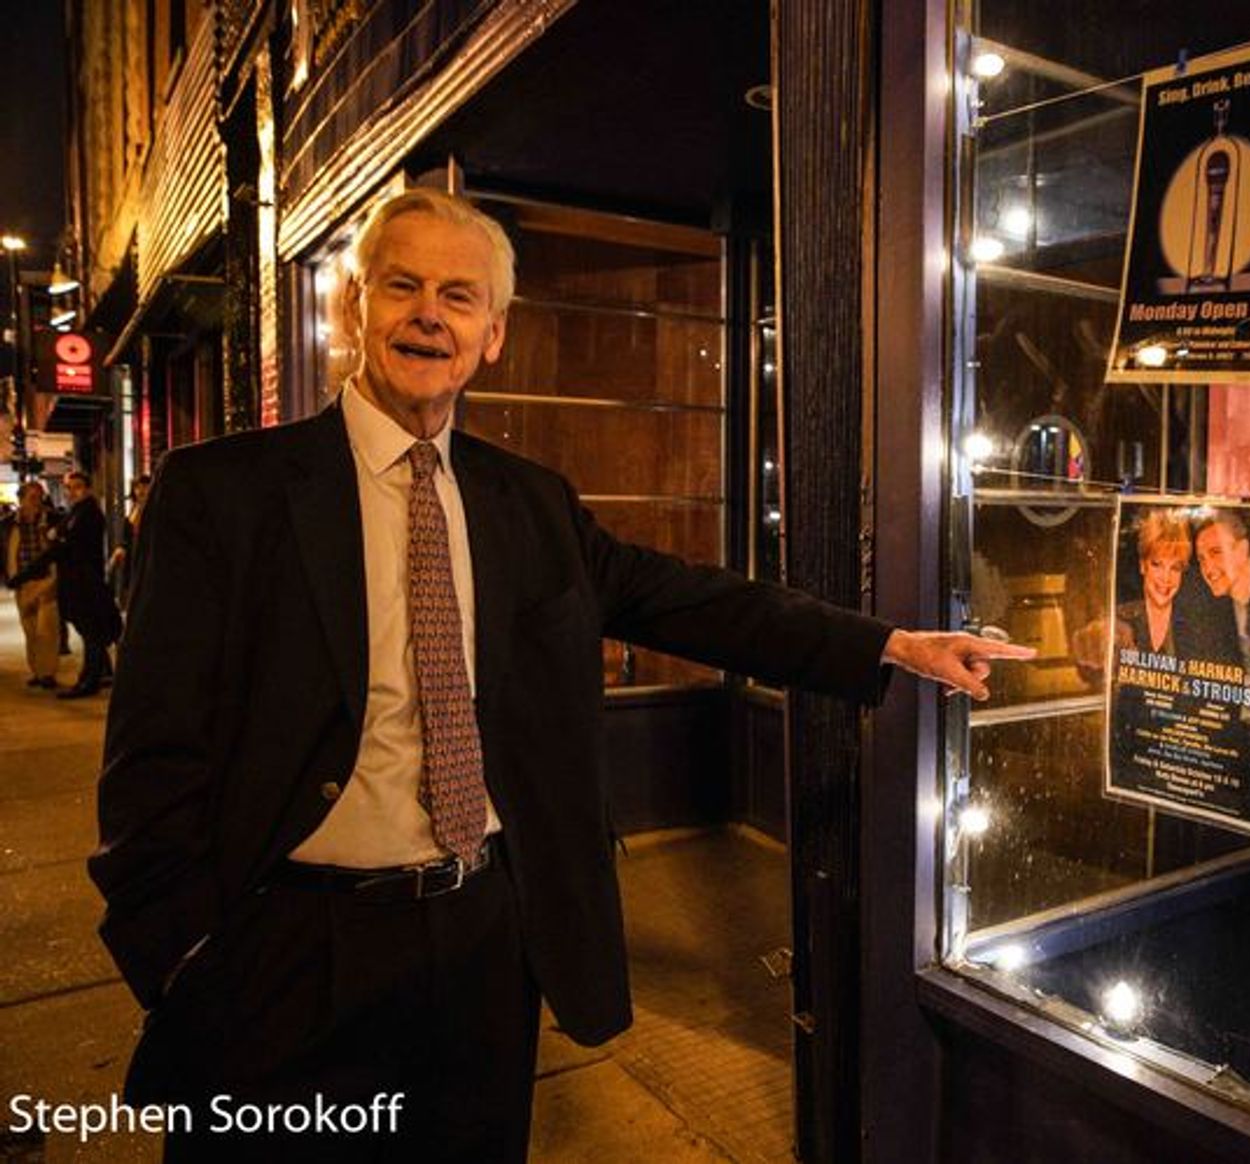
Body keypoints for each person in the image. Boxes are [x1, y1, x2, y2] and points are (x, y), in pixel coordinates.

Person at [90, 188, 1034, 1162]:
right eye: (402, 286)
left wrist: (888, 645)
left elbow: (689, 600)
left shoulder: (528, 503)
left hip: (480, 944)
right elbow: (152, 754)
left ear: (492, 335)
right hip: (287, 951)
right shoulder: (224, 494)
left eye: (459, 297)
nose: (429, 315)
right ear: (353, 308)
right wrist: (183, 958)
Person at [48, 470, 121, 698]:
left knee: (91, 633)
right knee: (91, 632)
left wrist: (58, 536)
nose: (72, 492)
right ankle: (100, 673)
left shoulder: (88, 512)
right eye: (69, 488)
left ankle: (89, 681)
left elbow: (70, 543)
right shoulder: (77, 511)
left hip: (85, 580)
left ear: (88, 488)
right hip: (82, 579)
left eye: (77, 487)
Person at [1194, 509, 1250, 674]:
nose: (1208, 568)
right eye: (1201, 559)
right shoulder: (1217, 610)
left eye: (1216, 552)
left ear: (1243, 549)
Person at [2, 481, 61, 689]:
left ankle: (48, 673)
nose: (37, 502)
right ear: (21, 500)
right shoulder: (8, 524)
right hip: (21, 581)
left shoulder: (52, 519)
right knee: (30, 629)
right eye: (32, 497)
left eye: (39, 497)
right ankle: (37, 670)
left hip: (47, 579)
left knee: (47, 628)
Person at [1117, 510, 1192, 654]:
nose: (1166, 578)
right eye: (1157, 564)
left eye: (1175, 568)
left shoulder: (1195, 623)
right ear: (1142, 565)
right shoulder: (1119, 618)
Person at [107, 473, 152, 610]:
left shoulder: (154, 509)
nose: (141, 490)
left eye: (145, 486)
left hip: (147, 556)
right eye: (137, 487)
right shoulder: (134, 509)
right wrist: (121, 548)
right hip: (133, 556)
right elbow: (127, 536)